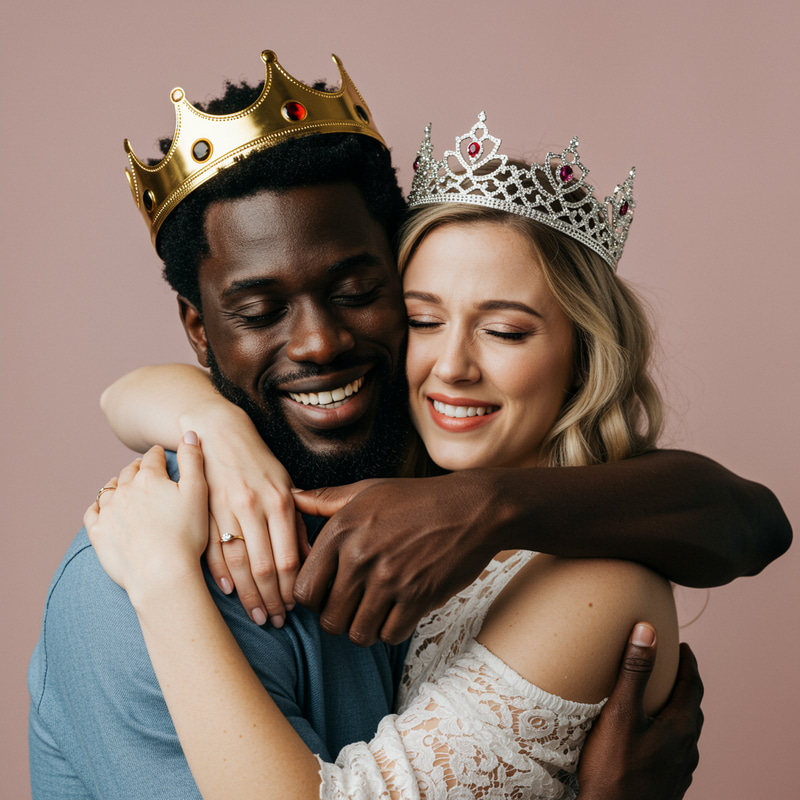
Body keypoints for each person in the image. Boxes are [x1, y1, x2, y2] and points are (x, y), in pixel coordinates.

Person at [28, 50, 788, 800]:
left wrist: (486, 507)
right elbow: (126, 396)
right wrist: (199, 430)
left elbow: (752, 520)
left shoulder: (437, 503)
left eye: (358, 291)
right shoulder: (130, 580)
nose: (322, 343)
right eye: (427, 319)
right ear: (198, 331)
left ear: (584, 355)